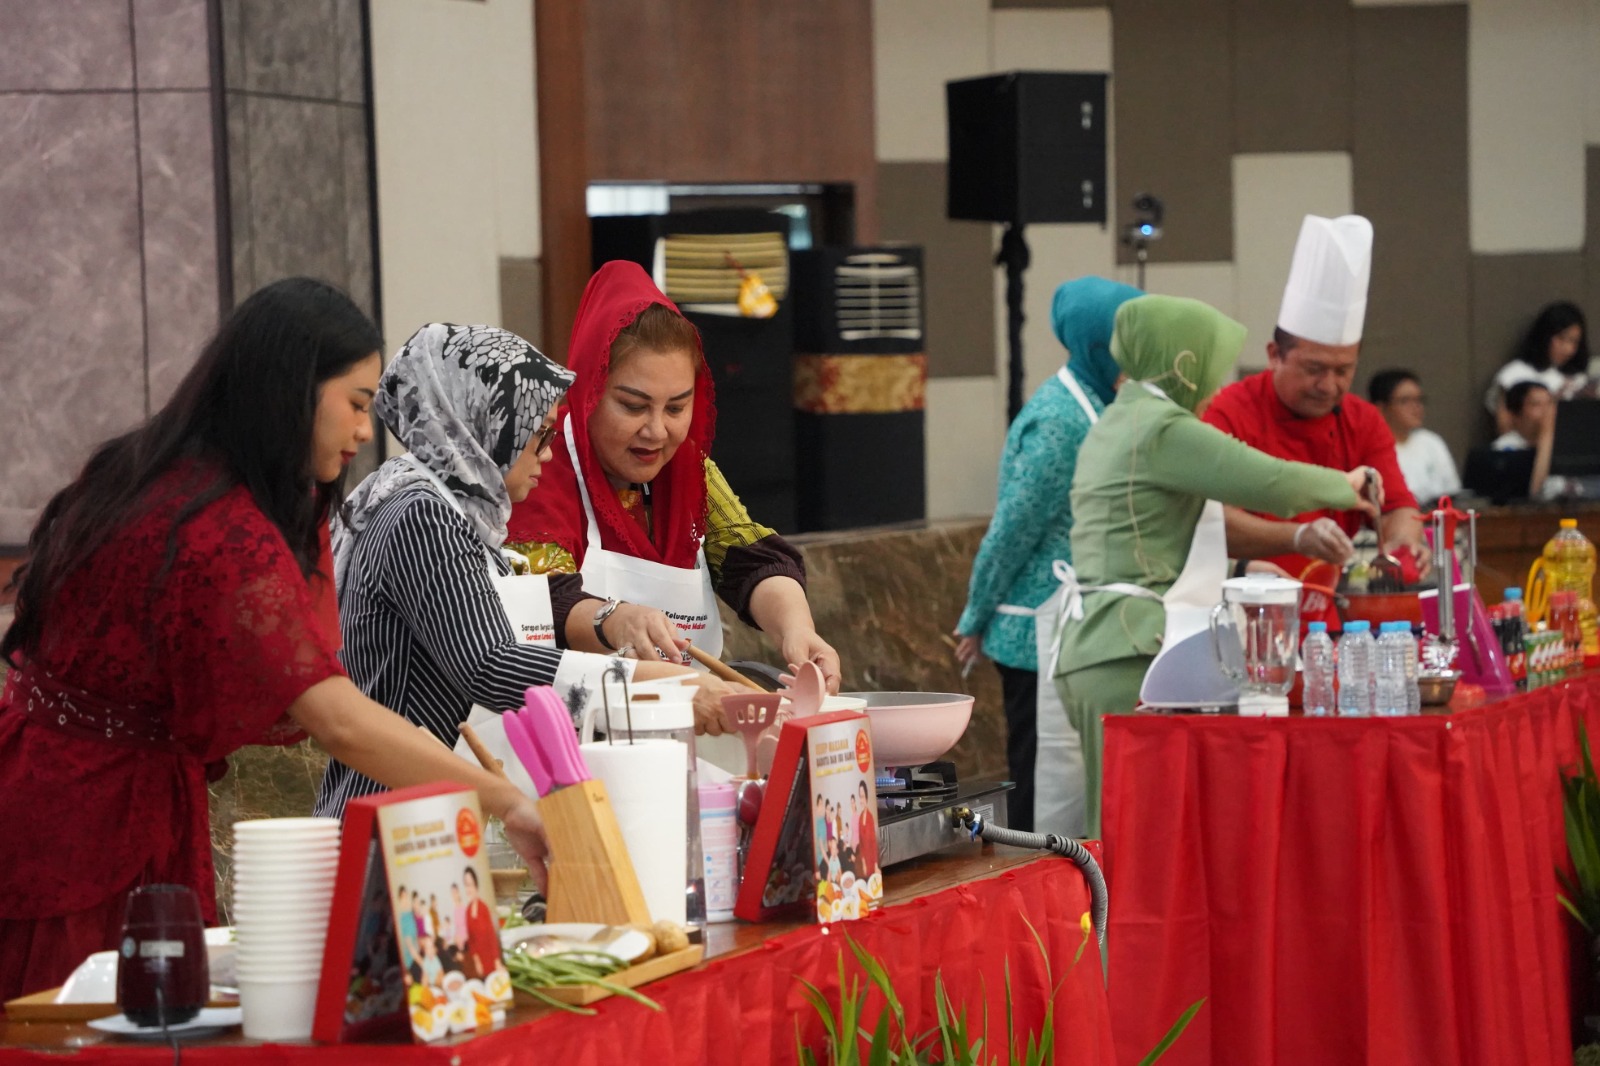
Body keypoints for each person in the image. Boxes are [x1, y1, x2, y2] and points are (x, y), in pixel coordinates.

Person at [0, 278, 548, 1002]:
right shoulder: (220, 529)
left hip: (59, 782)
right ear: (290, 390)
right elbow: (339, 719)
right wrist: (505, 799)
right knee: (79, 1025)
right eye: (355, 404)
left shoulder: (155, 470)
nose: (364, 431)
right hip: (86, 824)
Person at [315, 323, 725, 816]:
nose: (549, 454)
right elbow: (491, 665)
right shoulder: (420, 514)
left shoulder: (464, 514)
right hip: (394, 823)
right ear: (484, 423)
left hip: (442, 814)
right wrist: (660, 684)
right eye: (538, 435)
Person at [1053, 294, 1374, 837]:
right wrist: (1346, 484)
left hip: (1102, 641)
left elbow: (1154, 532)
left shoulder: (1124, 418)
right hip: (1127, 646)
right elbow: (1267, 480)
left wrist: (1261, 555)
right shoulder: (1160, 427)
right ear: (1183, 361)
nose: (1213, 383)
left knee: (1117, 823)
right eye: (1208, 364)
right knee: (1136, 832)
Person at [507, 262, 840, 702]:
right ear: (589, 390)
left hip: (684, 727)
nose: (657, 432)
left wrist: (796, 629)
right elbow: (540, 602)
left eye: (676, 407)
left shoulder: (687, 470)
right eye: (633, 406)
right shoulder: (541, 464)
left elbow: (750, 557)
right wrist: (615, 619)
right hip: (568, 736)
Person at [953, 276, 1140, 836]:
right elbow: (1012, 531)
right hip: (1036, 634)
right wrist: (974, 616)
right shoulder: (1060, 422)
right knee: (1043, 791)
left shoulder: (1101, 402)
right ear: (1094, 345)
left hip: (1078, 629)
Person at [1203, 215, 1430, 592]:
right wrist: (1296, 537)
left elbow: (1398, 506)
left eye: (1344, 370)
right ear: (1275, 355)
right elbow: (1208, 522)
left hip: (1331, 610)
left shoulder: (1363, 420)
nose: (1329, 385)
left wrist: (1404, 542)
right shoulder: (1229, 411)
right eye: (1314, 369)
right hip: (1244, 608)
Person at [1485, 301, 1592, 421]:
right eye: (1561, 339)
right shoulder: (1514, 374)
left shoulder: (1578, 378)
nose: (1568, 349)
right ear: (1545, 335)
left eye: (1574, 342)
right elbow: (1505, 426)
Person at [1369, 369, 1460, 507]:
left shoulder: (1431, 442)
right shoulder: (1370, 447)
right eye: (1405, 401)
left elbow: (1452, 493)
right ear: (1380, 408)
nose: (1416, 407)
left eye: (1419, 400)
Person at [1492, 381, 1573, 499]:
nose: (1547, 411)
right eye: (1537, 405)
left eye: (1550, 403)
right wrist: (1546, 435)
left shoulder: (1566, 444)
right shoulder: (1503, 449)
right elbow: (1535, 495)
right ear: (1516, 414)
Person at [460, 866, 498, 980]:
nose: (468, 888)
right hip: (477, 961)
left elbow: (491, 936)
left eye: (470, 884)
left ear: (476, 884)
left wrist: (497, 961)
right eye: (466, 884)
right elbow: (471, 941)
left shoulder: (483, 908)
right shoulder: (467, 911)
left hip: (491, 959)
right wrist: (477, 962)